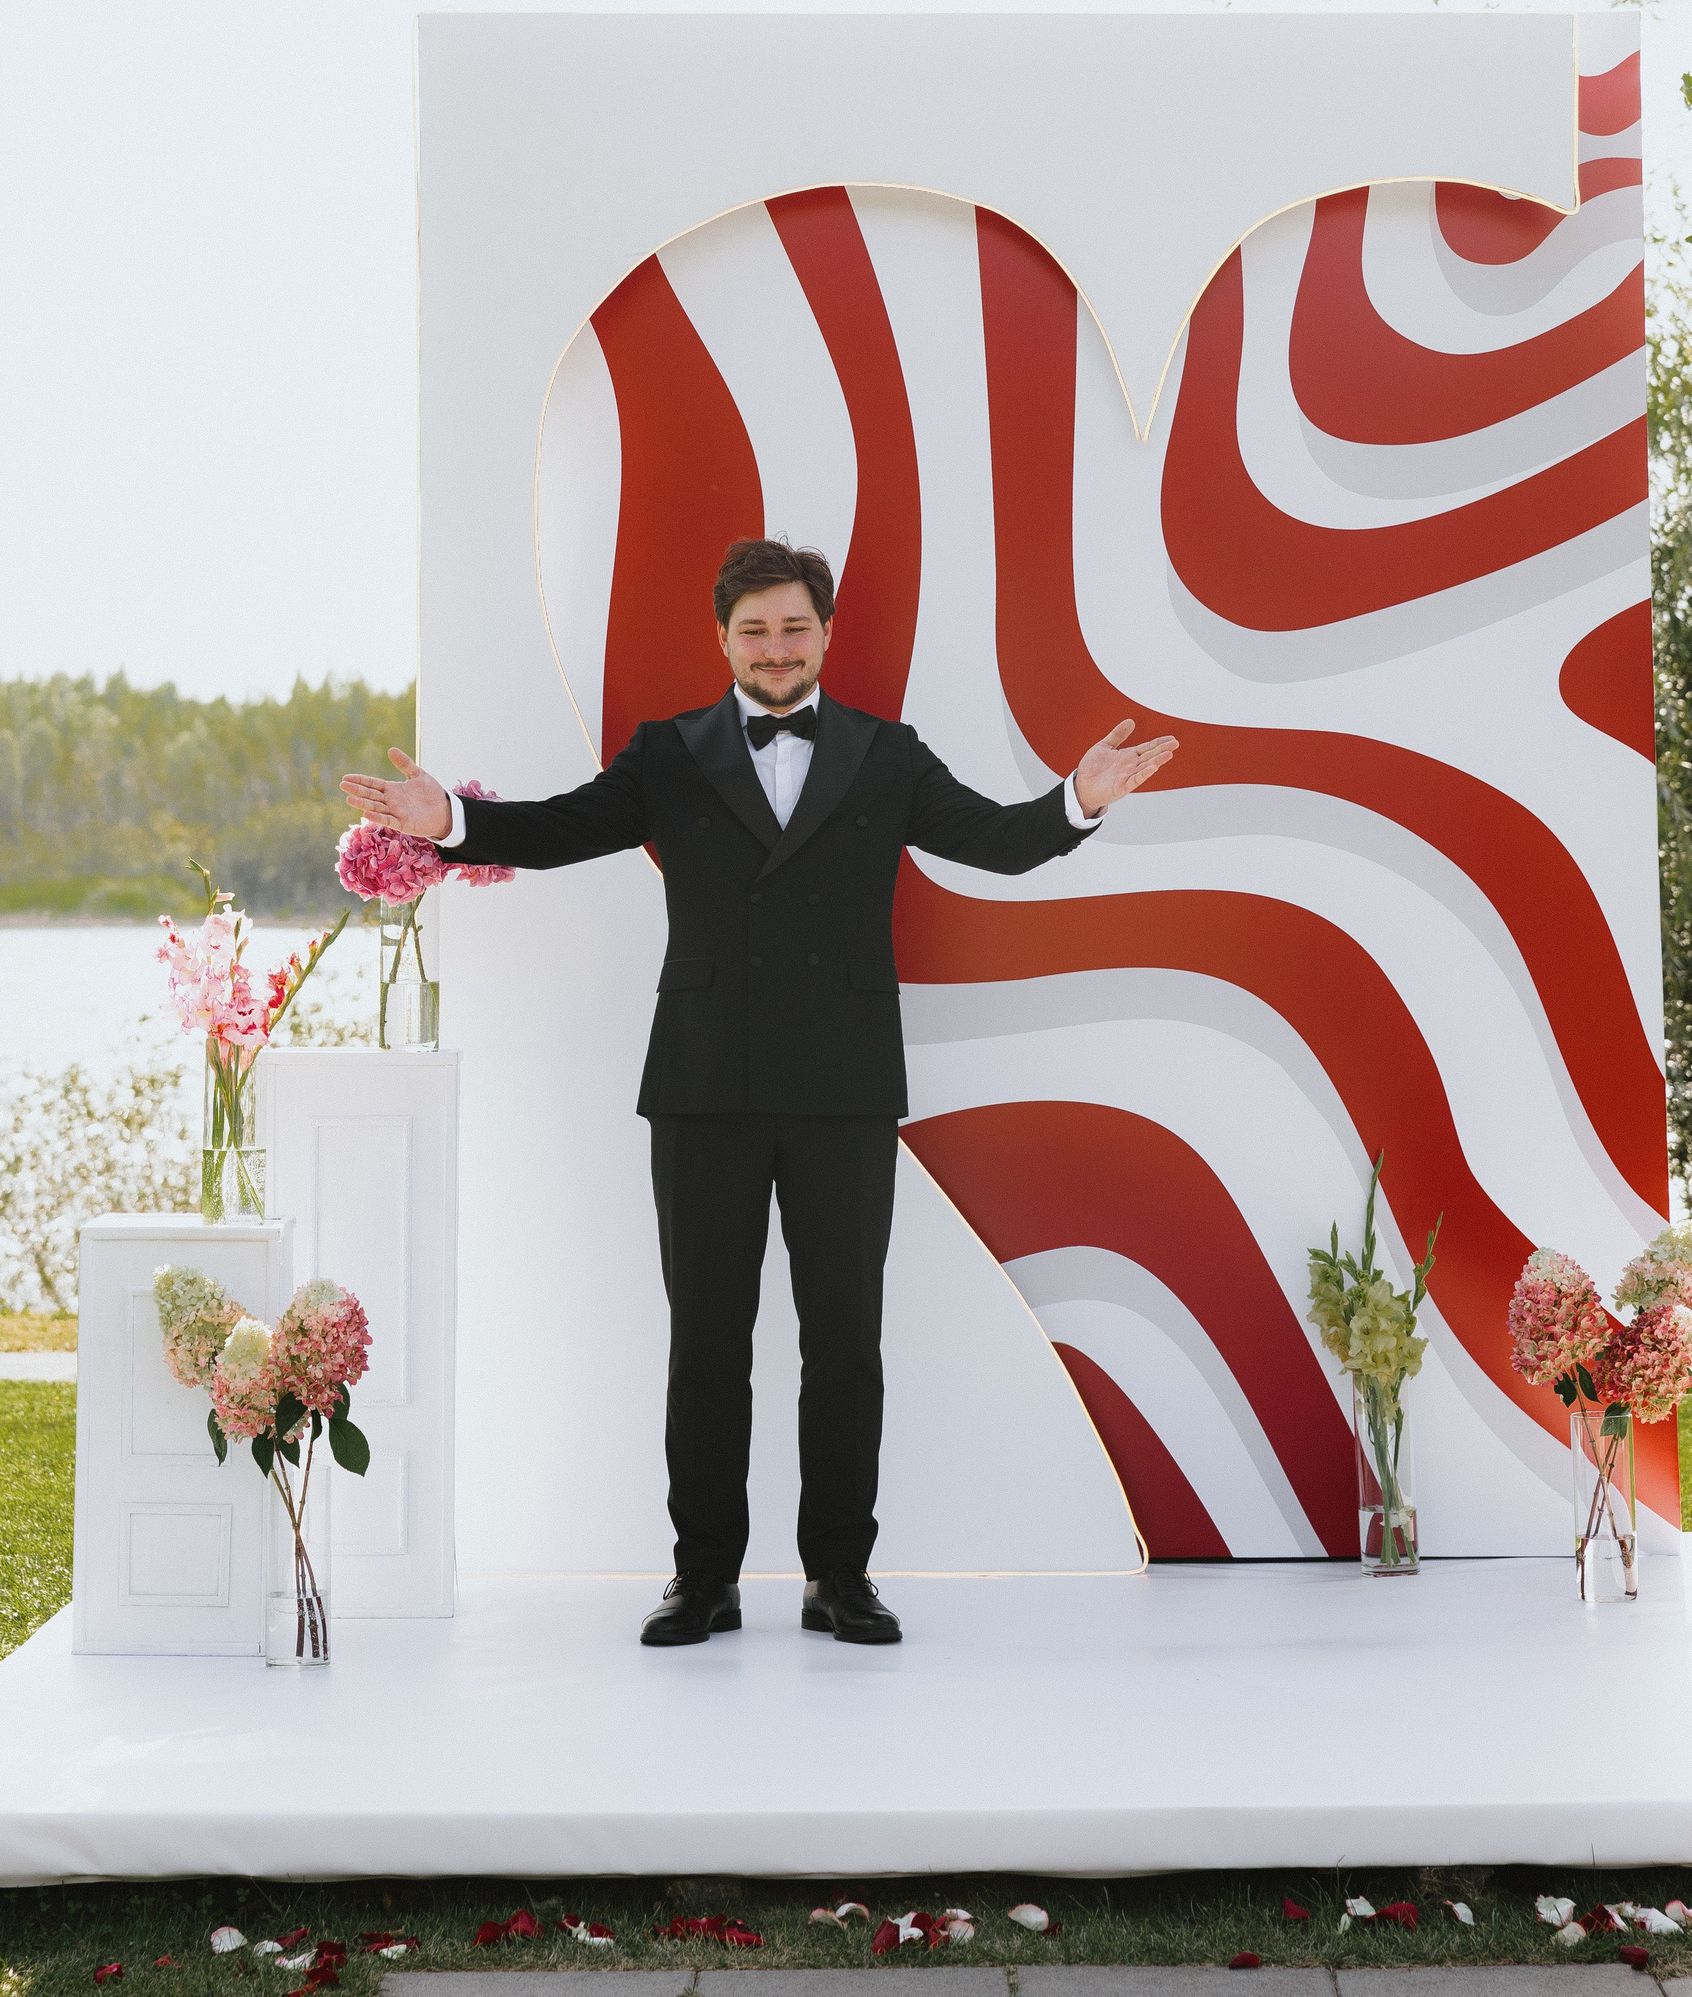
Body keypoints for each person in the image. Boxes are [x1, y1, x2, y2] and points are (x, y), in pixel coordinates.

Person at [341, 537, 1177, 1648]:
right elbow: (557, 831)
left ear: (825, 633)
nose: (776, 648)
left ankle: (841, 1576)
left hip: (844, 1085)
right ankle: (703, 1580)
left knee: (846, 1345)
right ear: (723, 639)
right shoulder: (669, 752)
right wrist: (448, 819)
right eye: (754, 631)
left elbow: (996, 841)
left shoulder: (886, 754)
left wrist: (1077, 800)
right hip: (704, 1085)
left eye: (793, 628)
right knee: (706, 1344)